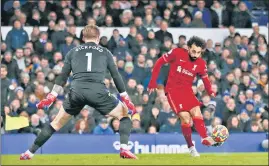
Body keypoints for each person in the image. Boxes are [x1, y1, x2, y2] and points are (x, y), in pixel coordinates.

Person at [20, 25, 138, 160]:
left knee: (55, 124)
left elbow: (63, 76)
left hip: (76, 92)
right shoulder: (105, 52)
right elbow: (116, 76)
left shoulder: (73, 51)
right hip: (97, 91)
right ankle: (123, 148)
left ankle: (29, 153)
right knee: (124, 116)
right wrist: (125, 97)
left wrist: (52, 96)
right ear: (98, 38)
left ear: (83, 38)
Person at [147, 36, 221, 157]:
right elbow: (160, 62)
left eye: (198, 52)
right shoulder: (177, 52)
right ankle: (191, 147)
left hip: (187, 91)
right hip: (172, 91)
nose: (196, 54)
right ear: (188, 48)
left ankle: (204, 138)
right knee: (185, 118)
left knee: (196, 111)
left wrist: (210, 91)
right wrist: (152, 82)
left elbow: (205, 79)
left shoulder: (201, 63)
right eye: (193, 51)